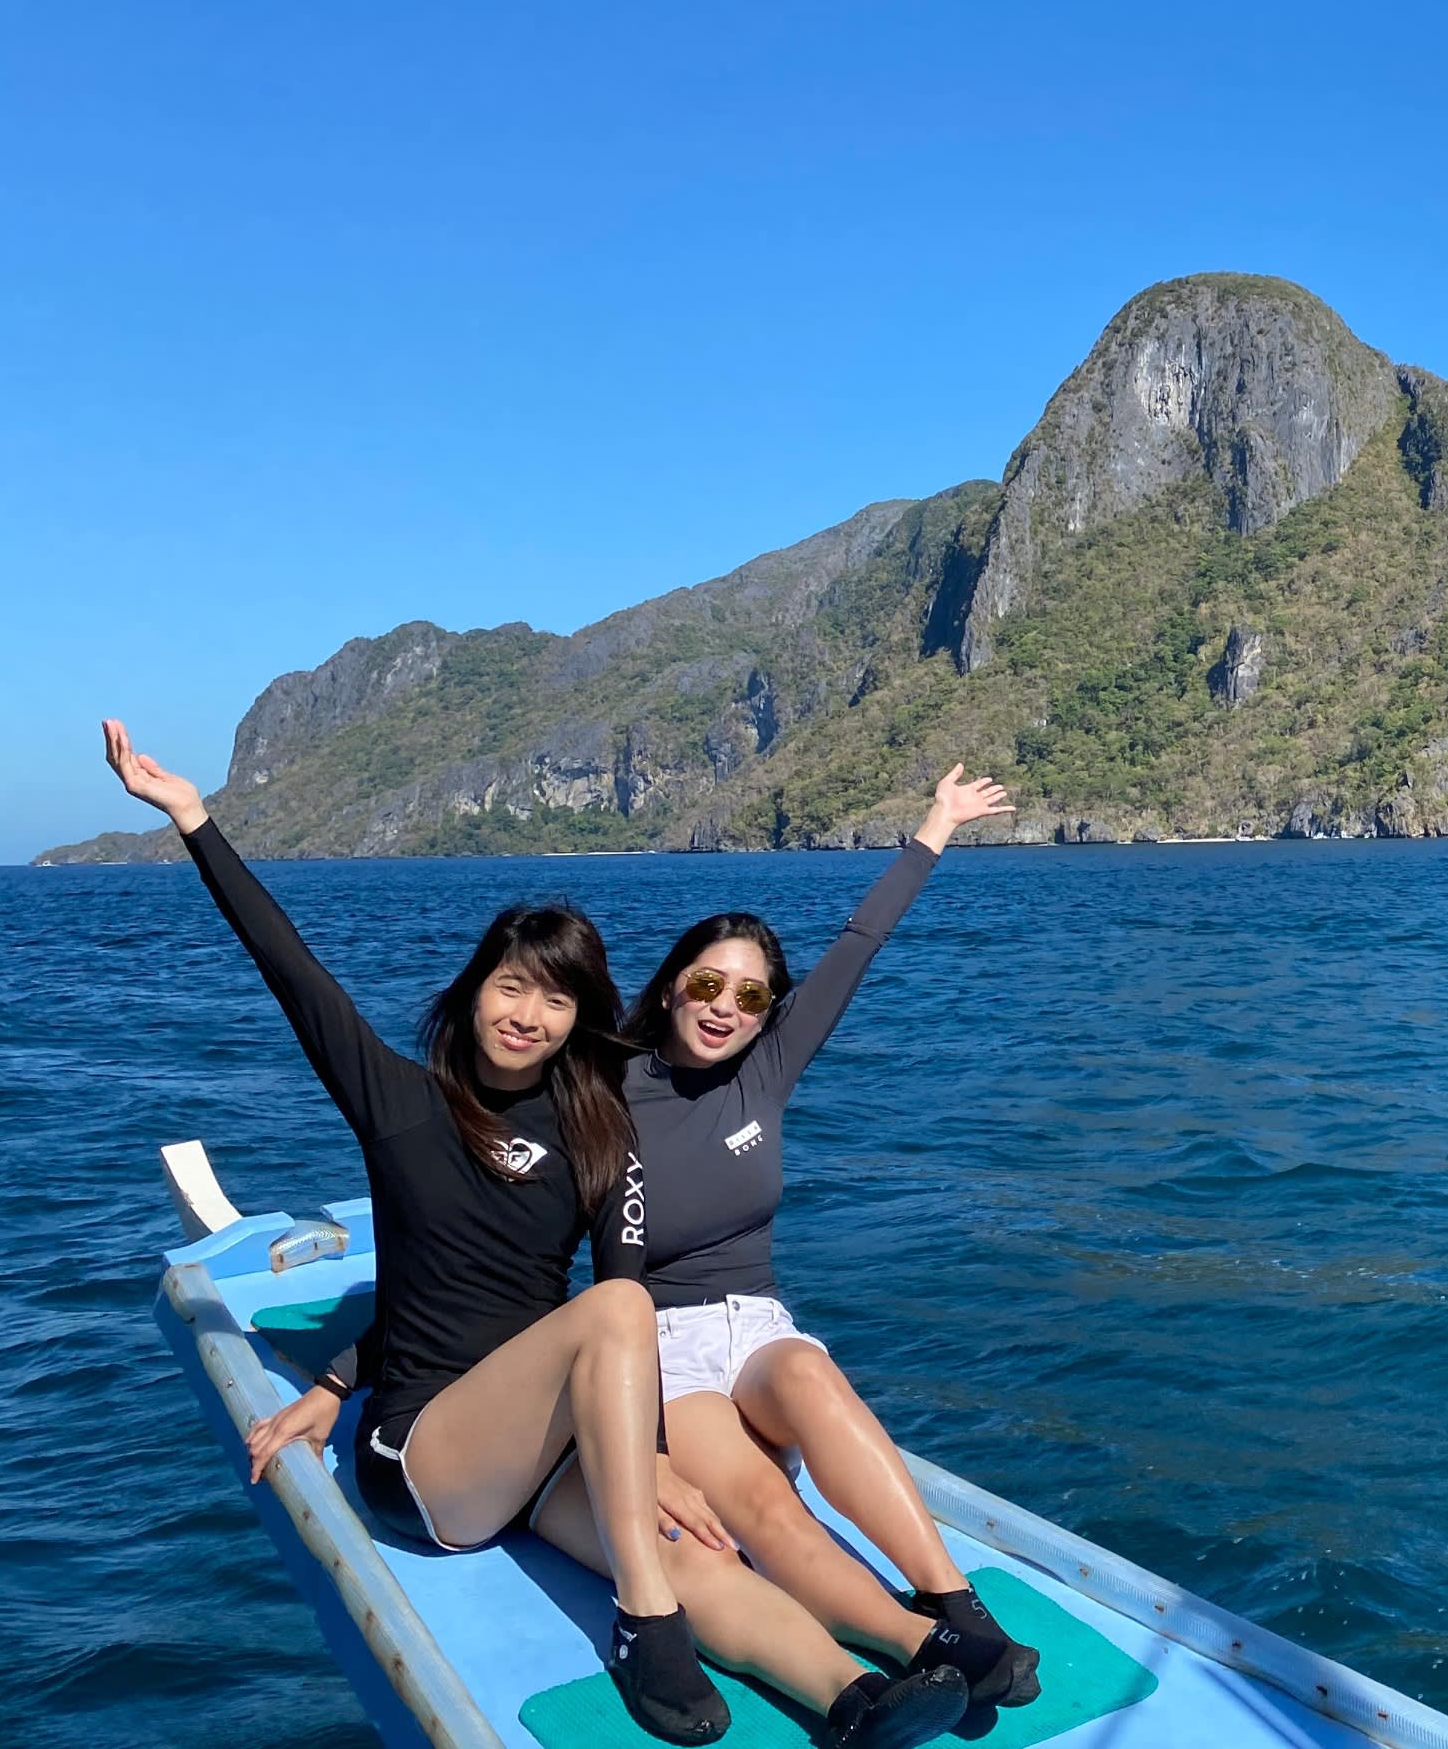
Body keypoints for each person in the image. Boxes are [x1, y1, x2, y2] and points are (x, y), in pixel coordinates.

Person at [111, 723, 962, 1749]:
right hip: (424, 1457)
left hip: (534, 1440)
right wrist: (194, 820)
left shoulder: (595, 1133)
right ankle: (642, 1620)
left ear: (578, 1017)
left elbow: (531, 1304)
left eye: (556, 998)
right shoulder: (398, 1100)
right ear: (474, 991)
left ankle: (854, 1695)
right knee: (617, 1309)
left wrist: (647, 1461)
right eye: (511, 985)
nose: (528, 1014)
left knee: (688, 1542)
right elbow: (289, 965)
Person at [604, 762, 1042, 1725]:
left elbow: (859, 943)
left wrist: (935, 826)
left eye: (750, 996)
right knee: (766, 1507)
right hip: (663, 1346)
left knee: (809, 1372)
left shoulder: (766, 1067)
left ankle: (952, 1601)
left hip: (757, 1324)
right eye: (708, 983)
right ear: (672, 985)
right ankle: (912, 1646)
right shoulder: (606, 1087)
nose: (725, 1006)